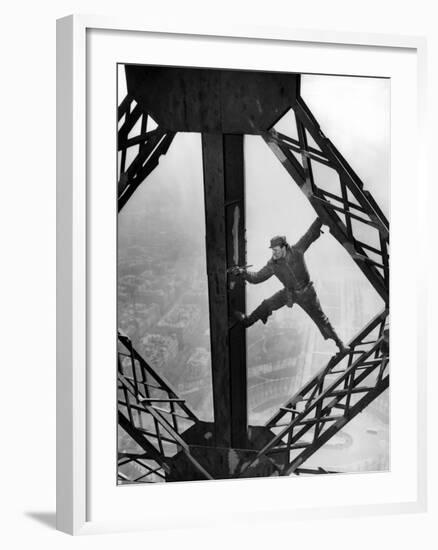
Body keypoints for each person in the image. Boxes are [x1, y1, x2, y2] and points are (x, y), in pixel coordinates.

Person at [231, 217, 347, 353]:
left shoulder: (297, 251)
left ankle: (340, 345)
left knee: (322, 320)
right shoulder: (272, 265)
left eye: (276, 250)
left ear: (284, 247)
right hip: (289, 294)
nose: (273, 253)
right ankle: (247, 321)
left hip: (308, 294)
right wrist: (242, 272)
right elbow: (256, 278)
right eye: (272, 250)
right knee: (267, 305)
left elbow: (310, 234)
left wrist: (321, 216)